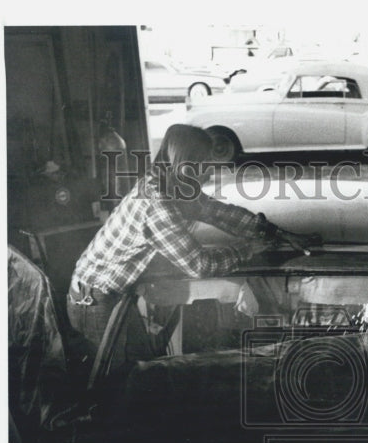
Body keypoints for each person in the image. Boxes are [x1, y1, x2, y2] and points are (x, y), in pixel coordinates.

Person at [67, 124, 309, 374]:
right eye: (204, 162)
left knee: (139, 374)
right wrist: (246, 249)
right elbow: (199, 265)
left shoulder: (175, 185)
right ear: (185, 162)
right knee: (116, 386)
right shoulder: (156, 201)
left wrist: (277, 232)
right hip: (94, 301)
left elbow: (220, 213)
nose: (210, 170)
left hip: (112, 295)